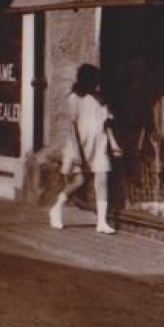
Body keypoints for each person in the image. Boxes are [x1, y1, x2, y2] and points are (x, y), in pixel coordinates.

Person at [49, 63, 120, 234]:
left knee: (102, 181)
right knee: (79, 181)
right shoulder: (74, 98)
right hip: (80, 145)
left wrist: (114, 143)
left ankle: (101, 222)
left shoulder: (100, 99)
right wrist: (77, 150)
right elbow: (72, 126)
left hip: (99, 144)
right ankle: (56, 208)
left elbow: (107, 124)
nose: (97, 84)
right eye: (94, 80)